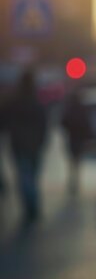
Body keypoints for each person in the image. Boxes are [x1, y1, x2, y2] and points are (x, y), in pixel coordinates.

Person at [3, 69, 47, 223]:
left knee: (24, 177)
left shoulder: (14, 102)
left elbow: (4, 122)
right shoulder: (37, 102)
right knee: (31, 177)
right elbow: (44, 125)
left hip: (19, 145)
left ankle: (30, 207)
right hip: (34, 145)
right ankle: (32, 206)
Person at [61, 87, 91, 194]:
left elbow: (63, 122)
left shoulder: (70, 109)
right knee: (77, 161)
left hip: (73, 138)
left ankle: (73, 180)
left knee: (72, 160)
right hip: (79, 138)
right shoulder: (82, 109)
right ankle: (75, 180)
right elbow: (87, 124)